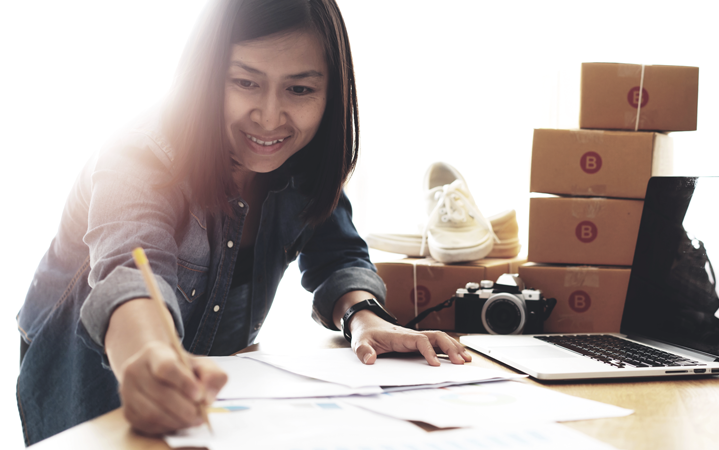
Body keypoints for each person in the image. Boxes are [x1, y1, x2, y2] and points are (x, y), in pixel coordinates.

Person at [16, 0, 471, 445]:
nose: (269, 118)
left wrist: (362, 317)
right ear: (206, 75)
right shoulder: (139, 154)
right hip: (87, 377)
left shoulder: (305, 160)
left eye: (299, 89)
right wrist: (148, 353)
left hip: (211, 396)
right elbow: (131, 273)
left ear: (332, 93)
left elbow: (337, 254)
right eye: (245, 82)